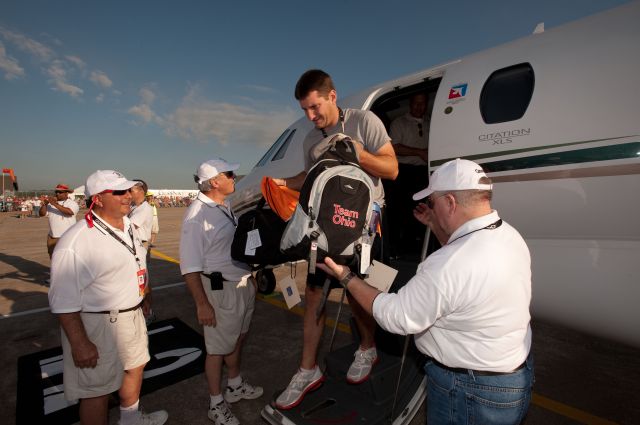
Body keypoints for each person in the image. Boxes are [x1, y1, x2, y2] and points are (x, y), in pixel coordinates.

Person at [317, 158, 534, 425]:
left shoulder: (449, 264)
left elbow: (397, 316)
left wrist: (346, 277)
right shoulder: (509, 235)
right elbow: (460, 272)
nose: (431, 208)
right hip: (511, 377)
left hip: (469, 390)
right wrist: (435, 225)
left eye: (433, 203)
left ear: (451, 203)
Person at [270, 69, 398, 410]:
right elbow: (306, 177)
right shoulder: (311, 139)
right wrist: (283, 184)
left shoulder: (364, 122)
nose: (311, 117)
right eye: (305, 110)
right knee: (314, 296)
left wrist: (358, 153)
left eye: (315, 107)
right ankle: (307, 370)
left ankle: (367, 347)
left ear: (332, 96)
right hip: (325, 229)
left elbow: (392, 169)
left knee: (359, 293)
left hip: (366, 229)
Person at [48, 170, 167, 425]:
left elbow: (136, 263)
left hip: (132, 316)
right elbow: (62, 301)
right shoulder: (76, 242)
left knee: (135, 367)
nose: (127, 196)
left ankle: (130, 419)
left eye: (127, 190)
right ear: (98, 200)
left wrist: (145, 293)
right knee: (96, 393)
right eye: (119, 192)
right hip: (98, 324)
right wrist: (80, 343)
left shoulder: (129, 228)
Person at [180, 159, 263, 425]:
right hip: (219, 290)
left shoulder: (223, 206)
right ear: (215, 182)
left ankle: (235, 385)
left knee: (238, 338)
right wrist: (201, 304)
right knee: (216, 349)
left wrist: (250, 275)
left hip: (240, 284)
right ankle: (215, 403)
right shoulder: (197, 216)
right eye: (230, 174)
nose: (235, 176)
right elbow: (190, 267)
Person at [387, 93, 430, 257]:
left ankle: (414, 250)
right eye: (416, 103)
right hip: (403, 172)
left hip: (423, 174)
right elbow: (394, 147)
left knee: (420, 211)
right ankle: (396, 250)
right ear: (410, 104)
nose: (420, 107)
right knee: (400, 212)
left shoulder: (430, 123)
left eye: (423, 104)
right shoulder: (399, 123)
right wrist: (419, 152)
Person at [39, 184, 79, 258]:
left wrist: (55, 204)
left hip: (67, 236)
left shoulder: (72, 203)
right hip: (52, 237)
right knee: (53, 258)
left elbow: (70, 212)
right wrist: (44, 204)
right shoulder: (50, 205)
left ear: (66, 193)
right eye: (56, 192)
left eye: (60, 192)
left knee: (67, 258)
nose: (57, 194)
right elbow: (41, 214)